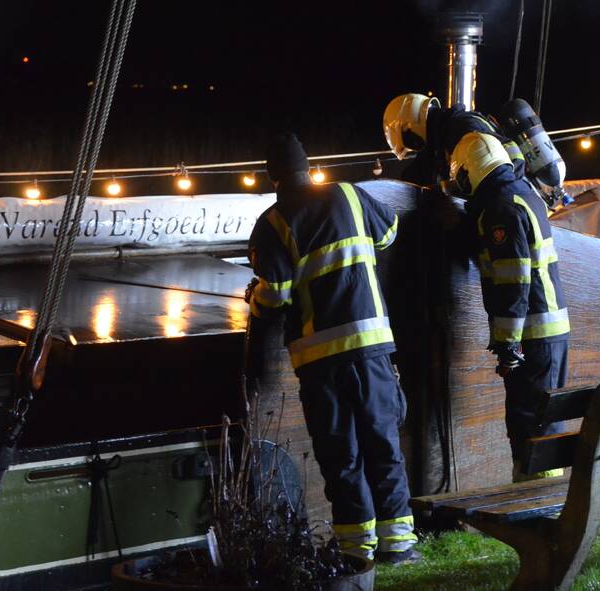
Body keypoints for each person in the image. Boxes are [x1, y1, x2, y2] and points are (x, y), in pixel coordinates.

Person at [244, 132, 420, 565]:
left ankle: (356, 549)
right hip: (372, 347)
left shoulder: (272, 222)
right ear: (308, 166)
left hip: (320, 361)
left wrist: (253, 298)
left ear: (273, 177)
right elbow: (389, 232)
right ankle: (399, 544)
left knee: (341, 453)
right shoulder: (348, 195)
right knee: (383, 443)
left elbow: (275, 295)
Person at [448, 131, 571, 482]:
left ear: (470, 169)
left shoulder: (500, 208)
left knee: (532, 425)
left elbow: (513, 279)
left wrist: (507, 347)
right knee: (538, 422)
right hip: (545, 332)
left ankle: (537, 502)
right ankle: (538, 496)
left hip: (532, 335)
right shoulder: (522, 193)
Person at [382, 93, 525, 187]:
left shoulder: (460, 129)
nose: (417, 148)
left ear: (410, 129)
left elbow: (513, 160)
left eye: (411, 143)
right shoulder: (443, 133)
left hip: (506, 204)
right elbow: (420, 169)